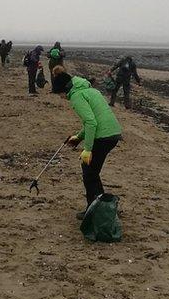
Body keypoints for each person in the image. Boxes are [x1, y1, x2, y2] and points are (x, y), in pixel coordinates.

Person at [51, 68, 122, 220]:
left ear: (64, 89)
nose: (62, 98)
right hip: (113, 133)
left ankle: (93, 209)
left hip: (104, 136)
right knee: (92, 172)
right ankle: (103, 205)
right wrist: (78, 137)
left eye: (60, 94)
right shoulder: (90, 90)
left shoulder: (76, 96)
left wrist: (87, 149)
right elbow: (92, 120)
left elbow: (91, 122)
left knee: (89, 171)